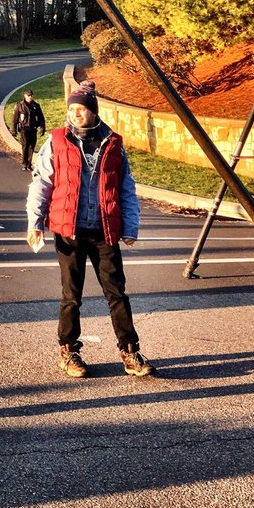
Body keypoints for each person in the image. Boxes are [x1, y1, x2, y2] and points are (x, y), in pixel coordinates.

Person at [26, 80, 156, 379]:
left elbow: (126, 188)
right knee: (71, 296)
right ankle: (69, 351)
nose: (75, 114)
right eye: (71, 108)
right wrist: (35, 222)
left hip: (104, 231)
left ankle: (130, 351)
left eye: (81, 109)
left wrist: (130, 226)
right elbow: (42, 183)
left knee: (117, 293)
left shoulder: (113, 144)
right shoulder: (56, 141)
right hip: (68, 231)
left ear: (93, 111)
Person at [11, 88, 46, 170]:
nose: (30, 97)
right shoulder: (20, 105)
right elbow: (15, 119)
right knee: (25, 144)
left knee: (32, 146)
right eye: (28, 96)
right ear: (25, 96)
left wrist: (42, 128)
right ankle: (24, 163)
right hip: (24, 128)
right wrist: (13, 130)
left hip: (33, 128)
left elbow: (41, 117)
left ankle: (29, 164)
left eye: (31, 96)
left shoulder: (36, 106)